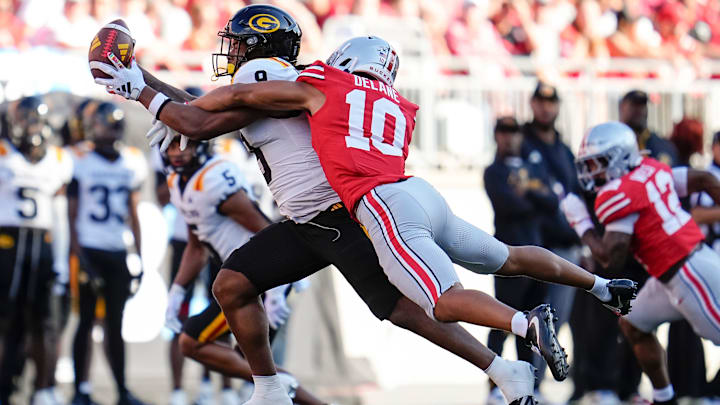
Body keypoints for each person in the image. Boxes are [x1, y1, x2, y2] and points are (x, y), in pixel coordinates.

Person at [92, 26, 639, 405]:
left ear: (261, 51)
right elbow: (200, 108)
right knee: (233, 283)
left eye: (239, 45)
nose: (232, 55)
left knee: (410, 307)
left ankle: (504, 362)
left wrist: (139, 87)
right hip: (315, 217)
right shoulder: (334, 89)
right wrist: (144, 84)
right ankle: (268, 385)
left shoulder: (297, 82)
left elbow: (198, 115)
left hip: (341, 212)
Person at [560, 121, 720, 405]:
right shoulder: (651, 168)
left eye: (596, 162)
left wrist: (582, 223)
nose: (590, 171)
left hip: (690, 273)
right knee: (633, 323)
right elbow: (705, 180)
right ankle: (664, 397)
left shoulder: (618, 193)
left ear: (619, 158)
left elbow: (610, 259)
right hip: (671, 275)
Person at [160, 137, 327, 405]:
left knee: (195, 343)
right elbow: (197, 244)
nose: (177, 153)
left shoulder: (213, 179)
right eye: (170, 146)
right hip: (246, 280)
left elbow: (264, 230)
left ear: (199, 145)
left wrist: (275, 288)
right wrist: (178, 290)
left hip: (256, 282)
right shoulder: (178, 182)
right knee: (253, 367)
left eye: (184, 145)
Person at [67, 102, 147, 405]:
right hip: (90, 247)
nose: (108, 131)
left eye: (111, 125)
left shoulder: (130, 161)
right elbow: (71, 216)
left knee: (116, 324)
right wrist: (79, 255)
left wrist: (138, 256)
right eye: (103, 125)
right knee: (86, 321)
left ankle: (122, 390)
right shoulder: (80, 161)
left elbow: (134, 214)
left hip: (116, 249)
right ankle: (80, 390)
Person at [0, 96, 73, 405]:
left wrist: (59, 261)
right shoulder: (4, 154)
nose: (32, 126)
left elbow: (59, 216)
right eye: (27, 119)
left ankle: (42, 389)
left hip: (41, 244)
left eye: (36, 119)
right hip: (6, 243)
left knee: (42, 322)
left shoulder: (58, 159)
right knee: (4, 320)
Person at [484, 116, 556, 404]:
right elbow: (509, 205)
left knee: (532, 324)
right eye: (503, 131)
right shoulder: (494, 171)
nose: (509, 138)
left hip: (535, 254)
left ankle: (530, 386)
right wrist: (533, 193)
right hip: (507, 256)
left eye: (513, 132)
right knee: (502, 321)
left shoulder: (533, 166)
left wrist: (528, 193)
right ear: (496, 136)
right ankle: (492, 388)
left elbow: (552, 203)